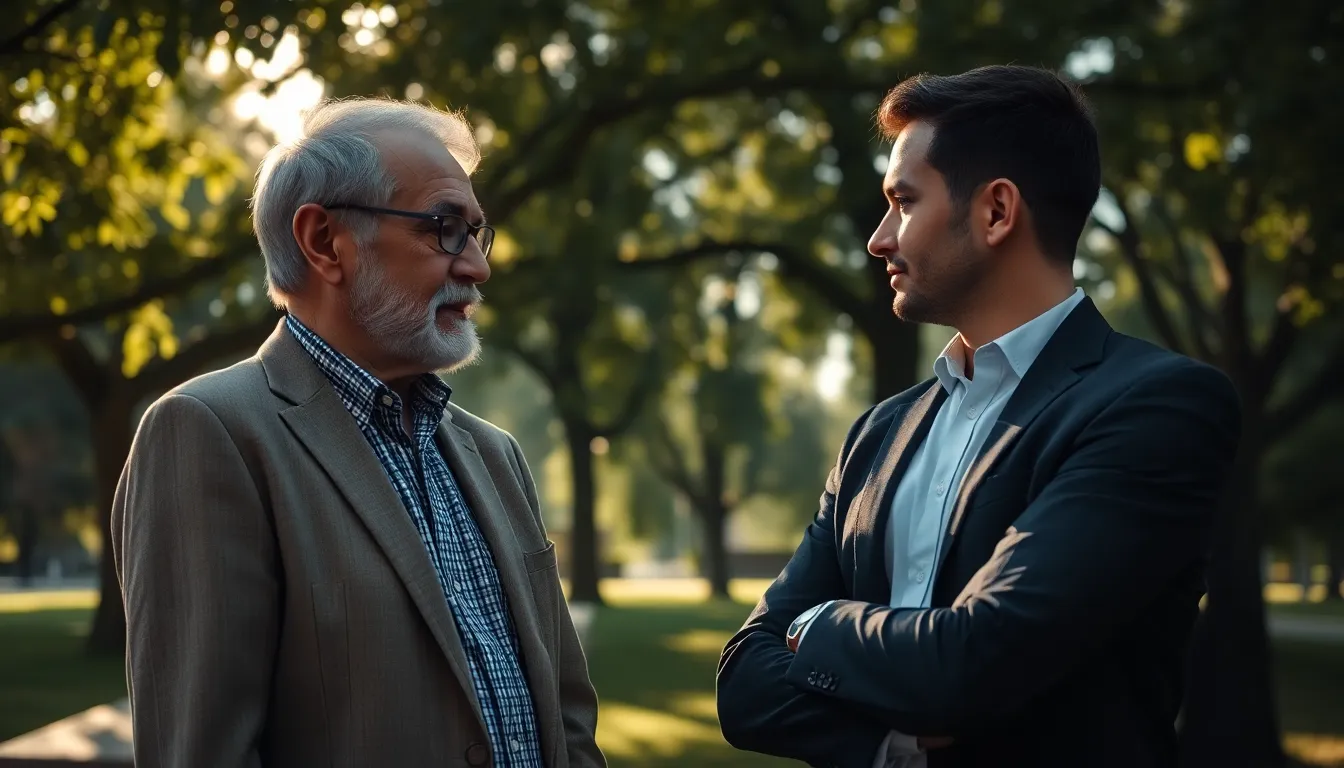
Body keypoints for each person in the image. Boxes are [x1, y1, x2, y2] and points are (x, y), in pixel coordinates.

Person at [715, 65, 1241, 768]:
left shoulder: (1155, 408)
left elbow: (976, 660)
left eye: (903, 202)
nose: (879, 238)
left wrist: (818, 624)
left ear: (996, 211)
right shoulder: (877, 436)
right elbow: (744, 684)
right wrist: (891, 747)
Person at [111, 97, 605, 768]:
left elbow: (568, 722)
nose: (477, 267)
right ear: (324, 242)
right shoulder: (208, 434)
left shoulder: (496, 456)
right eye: (443, 227)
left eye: (477, 232)